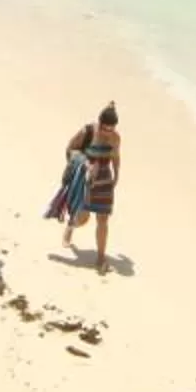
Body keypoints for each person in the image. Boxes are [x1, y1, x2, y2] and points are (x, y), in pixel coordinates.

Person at [72, 104, 122, 273]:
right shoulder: (87, 131)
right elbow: (70, 149)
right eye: (105, 128)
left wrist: (117, 174)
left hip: (105, 180)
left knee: (103, 219)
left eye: (111, 129)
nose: (107, 132)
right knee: (83, 219)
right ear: (99, 123)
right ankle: (71, 226)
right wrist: (86, 164)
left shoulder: (115, 138)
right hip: (86, 179)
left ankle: (100, 257)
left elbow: (116, 156)